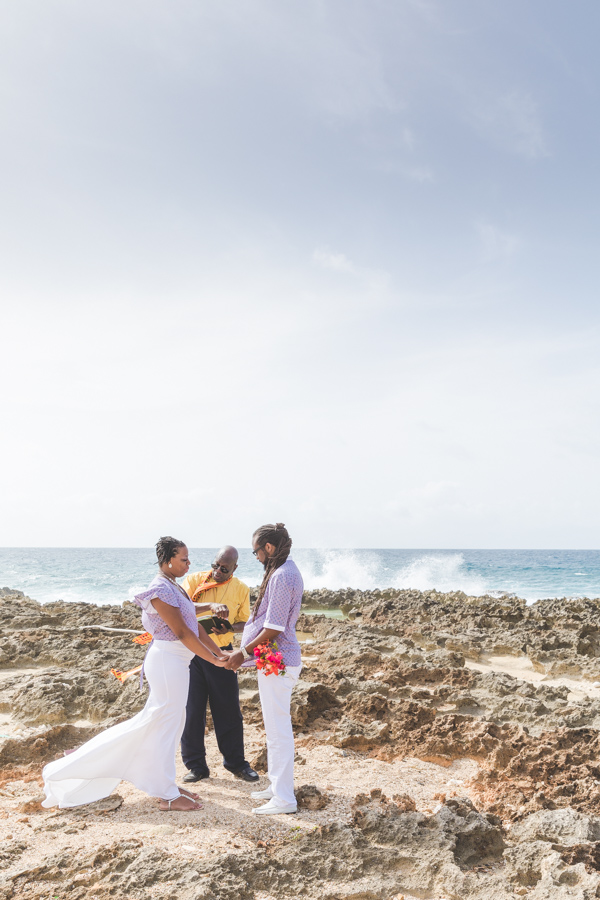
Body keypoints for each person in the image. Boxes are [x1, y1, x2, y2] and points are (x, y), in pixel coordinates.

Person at [42, 537, 230, 812]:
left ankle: (165, 783)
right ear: (168, 561)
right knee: (162, 724)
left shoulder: (173, 586)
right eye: (184, 559)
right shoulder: (159, 589)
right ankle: (164, 793)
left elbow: (193, 621)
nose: (189, 563)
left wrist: (219, 654)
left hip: (176, 661)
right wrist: (214, 660)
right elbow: (181, 632)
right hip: (167, 661)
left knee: (171, 723)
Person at [225, 523, 303, 815]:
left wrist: (241, 653)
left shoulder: (283, 576)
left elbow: (274, 627)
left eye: (256, 551)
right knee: (273, 729)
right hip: (272, 660)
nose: (256, 557)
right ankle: (276, 787)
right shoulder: (283, 571)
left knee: (279, 731)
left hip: (279, 661)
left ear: (268, 548)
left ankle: (284, 799)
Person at [180, 545, 259, 784]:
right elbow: (180, 609)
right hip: (192, 655)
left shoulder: (241, 589)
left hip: (223, 655)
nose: (217, 571)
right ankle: (196, 766)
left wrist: (229, 628)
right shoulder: (194, 580)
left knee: (228, 711)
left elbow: (245, 623)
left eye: (224, 569)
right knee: (191, 712)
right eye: (215, 565)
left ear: (234, 568)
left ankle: (236, 764)